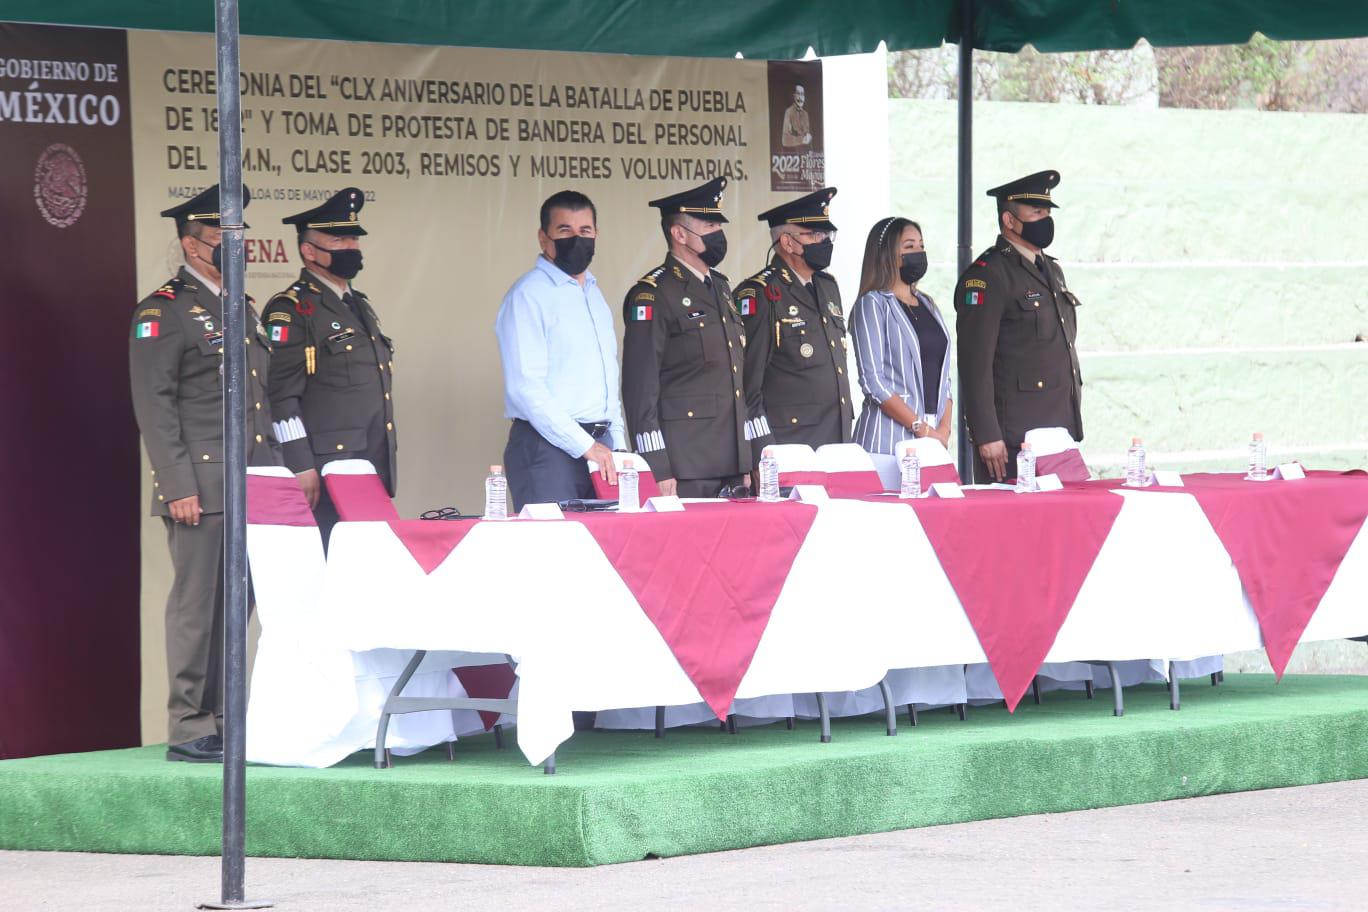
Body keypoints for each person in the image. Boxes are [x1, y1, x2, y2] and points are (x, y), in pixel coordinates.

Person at [129, 184, 280, 763]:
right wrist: (177, 486)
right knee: (198, 607)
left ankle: (223, 717)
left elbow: (259, 400)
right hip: (202, 486)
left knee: (237, 607)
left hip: (250, 483)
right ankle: (190, 723)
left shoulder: (238, 305)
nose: (236, 246)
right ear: (194, 245)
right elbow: (155, 404)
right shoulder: (162, 310)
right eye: (225, 238)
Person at [263, 188, 398, 541]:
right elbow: (280, 395)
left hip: (368, 462)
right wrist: (299, 463)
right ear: (309, 251)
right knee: (328, 564)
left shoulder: (358, 305)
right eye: (339, 240)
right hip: (325, 470)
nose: (351, 248)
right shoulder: (292, 309)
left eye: (354, 239)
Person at [621, 176, 757, 498]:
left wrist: (747, 457)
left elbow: (737, 381)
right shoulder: (654, 294)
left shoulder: (721, 287)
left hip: (733, 463)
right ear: (679, 234)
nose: (718, 234)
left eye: (718, 225)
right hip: (685, 466)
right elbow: (641, 388)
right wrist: (656, 464)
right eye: (708, 226)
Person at [495, 190, 625, 509]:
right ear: (543, 238)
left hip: (602, 449)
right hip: (548, 450)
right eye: (564, 230)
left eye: (585, 231)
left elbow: (608, 383)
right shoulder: (528, 296)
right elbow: (526, 388)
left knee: (609, 552)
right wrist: (585, 446)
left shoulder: (594, 295)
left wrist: (619, 447)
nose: (576, 239)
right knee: (555, 554)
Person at [955, 170, 1083, 483]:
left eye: (1048, 212)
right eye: (1036, 213)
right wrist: (986, 434)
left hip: (1057, 430)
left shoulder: (1050, 269)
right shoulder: (989, 275)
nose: (1045, 220)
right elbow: (975, 362)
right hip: (1013, 437)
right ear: (1009, 221)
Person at [734, 187, 853, 460]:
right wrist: (762, 451)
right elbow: (749, 387)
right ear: (787, 242)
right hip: (788, 446)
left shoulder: (827, 286)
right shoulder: (761, 293)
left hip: (837, 439)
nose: (823, 241)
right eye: (814, 235)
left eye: (826, 234)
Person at [849, 216, 954, 455]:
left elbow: (944, 378)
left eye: (921, 245)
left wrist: (944, 430)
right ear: (888, 255)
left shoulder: (928, 304)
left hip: (934, 437)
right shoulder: (873, 304)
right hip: (888, 439)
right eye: (909, 246)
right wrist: (920, 428)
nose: (918, 251)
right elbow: (873, 381)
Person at [781, 84, 812, 149]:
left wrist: (809, 137)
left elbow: (807, 133)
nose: (801, 98)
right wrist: (802, 139)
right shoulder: (789, 112)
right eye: (798, 94)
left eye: (802, 94)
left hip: (806, 154)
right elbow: (785, 140)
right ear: (794, 96)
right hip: (793, 153)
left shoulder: (805, 114)